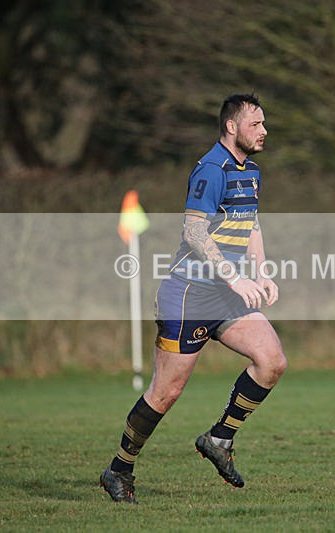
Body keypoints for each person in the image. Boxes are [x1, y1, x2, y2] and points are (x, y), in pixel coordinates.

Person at [100, 94, 287, 503]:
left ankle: (219, 439)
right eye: (255, 124)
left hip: (227, 293)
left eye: (264, 123)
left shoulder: (250, 171)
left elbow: (251, 225)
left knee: (272, 361)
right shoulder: (210, 169)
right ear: (231, 128)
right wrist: (234, 278)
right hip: (189, 295)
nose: (264, 131)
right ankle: (119, 469)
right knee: (166, 393)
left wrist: (261, 271)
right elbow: (194, 232)